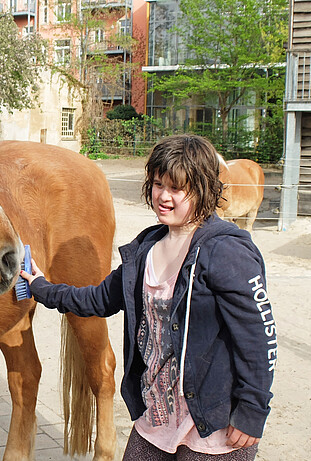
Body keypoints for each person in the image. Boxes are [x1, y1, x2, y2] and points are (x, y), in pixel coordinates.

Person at [20, 134, 276, 460]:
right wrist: (42, 286)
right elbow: (98, 300)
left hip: (213, 423)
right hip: (155, 417)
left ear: (202, 189)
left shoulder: (228, 250)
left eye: (177, 188)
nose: (163, 197)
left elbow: (259, 338)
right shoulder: (146, 249)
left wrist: (253, 411)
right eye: (158, 184)